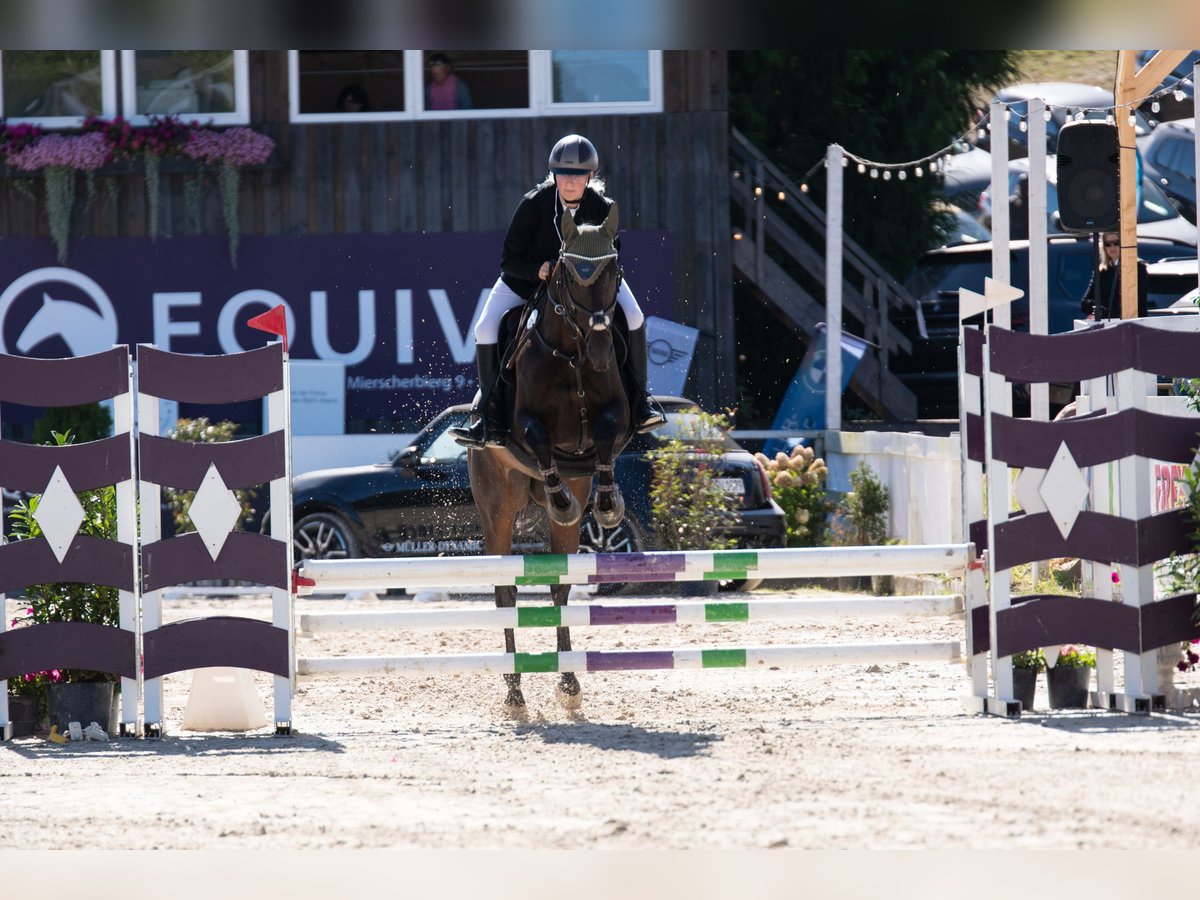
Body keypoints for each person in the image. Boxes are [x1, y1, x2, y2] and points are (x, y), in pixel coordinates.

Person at [451, 133, 666, 448]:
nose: (569, 182)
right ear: (554, 175)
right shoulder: (533, 204)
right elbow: (508, 259)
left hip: (586, 286)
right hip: (526, 283)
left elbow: (613, 255)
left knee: (634, 315)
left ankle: (640, 402)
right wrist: (537, 269)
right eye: (564, 174)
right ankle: (488, 415)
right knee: (484, 328)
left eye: (578, 175)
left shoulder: (602, 208)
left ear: (589, 176)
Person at [1080, 231, 1148, 320]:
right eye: (1108, 244)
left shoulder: (1138, 269)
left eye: (1116, 243)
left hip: (1133, 325)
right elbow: (1084, 303)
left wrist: (1100, 307)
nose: (1112, 247)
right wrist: (1104, 308)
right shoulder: (1101, 271)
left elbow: (1129, 303)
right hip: (1107, 326)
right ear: (1103, 247)